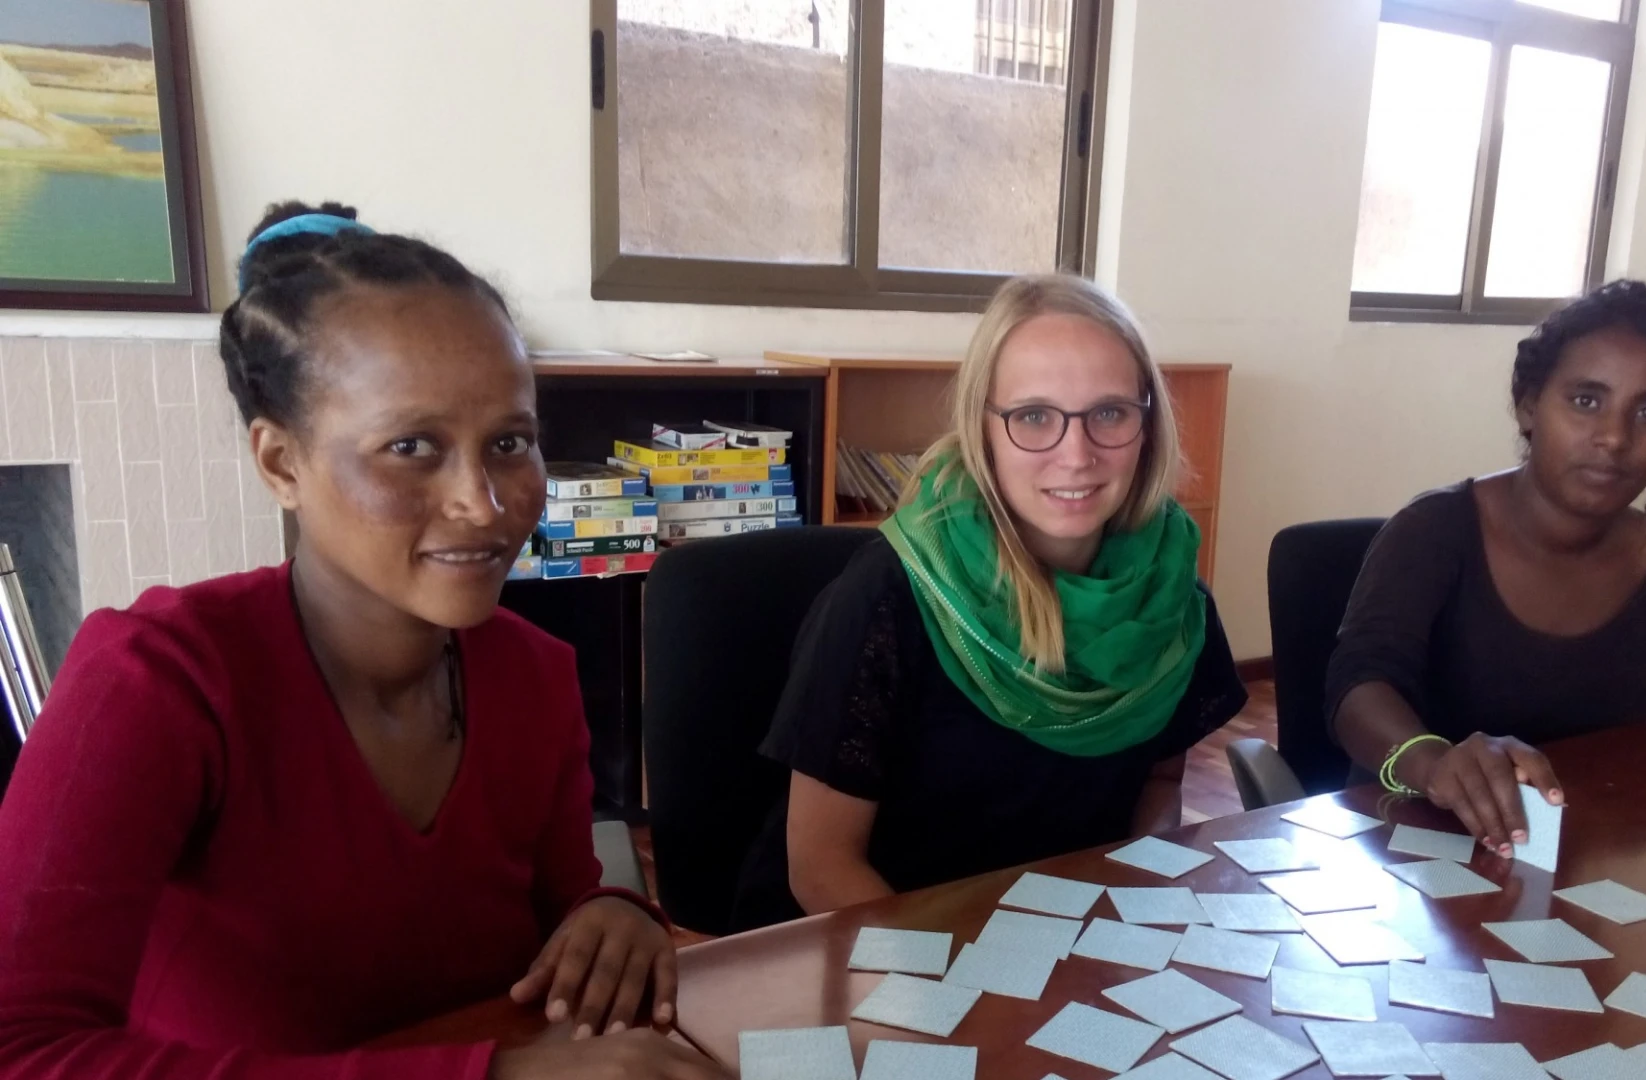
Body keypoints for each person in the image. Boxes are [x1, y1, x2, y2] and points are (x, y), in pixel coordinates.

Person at [0, 203, 725, 1080]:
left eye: (510, 443)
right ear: (280, 464)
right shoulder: (158, 680)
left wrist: (615, 912)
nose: (484, 503)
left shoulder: (533, 675)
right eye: (411, 446)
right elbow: (24, 1049)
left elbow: (557, 902)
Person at [732, 274, 1246, 930]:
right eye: (1034, 416)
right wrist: (970, 981)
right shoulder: (891, 595)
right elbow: (820, 865)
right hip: (872, 949)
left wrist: (1127, 903)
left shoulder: (1170, 599)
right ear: (985, 429)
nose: (1076, 454)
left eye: (1110, 412)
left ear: (1148, 423)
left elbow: (1157, 784)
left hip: (1057, 938)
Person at [1327, 279, 1646, 858]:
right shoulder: (1433, 532)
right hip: (1417, 858)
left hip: (1593, 862)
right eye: (1586, 400)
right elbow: (1356, 689)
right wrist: (1432, 761)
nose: (1614, 437)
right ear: (1529, 404)